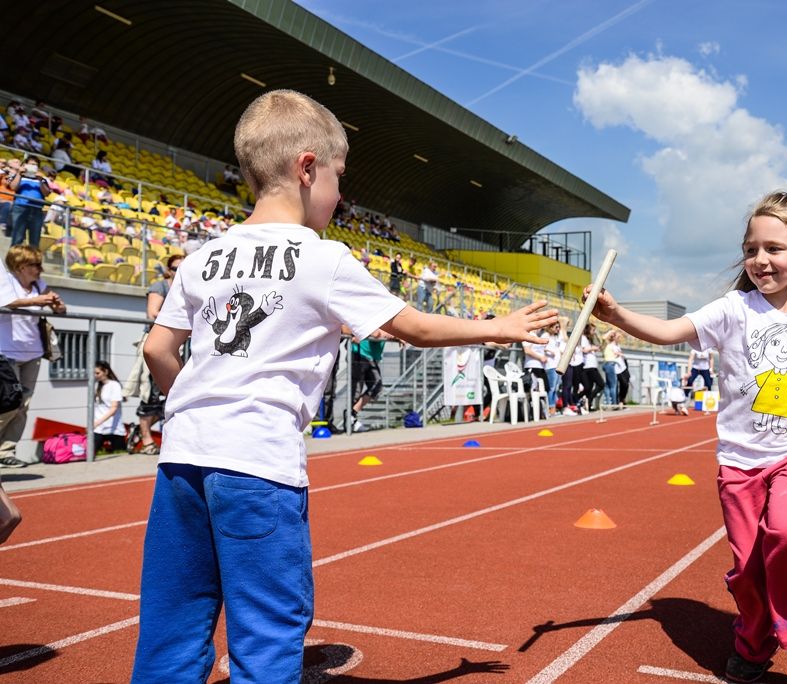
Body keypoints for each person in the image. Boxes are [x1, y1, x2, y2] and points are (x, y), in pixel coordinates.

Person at [132, 89, 557, 683]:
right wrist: (500, 328)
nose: (340, 193)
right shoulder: (324, 258)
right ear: (307, 168)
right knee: (267, 629)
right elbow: (410, 326)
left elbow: (157, 348)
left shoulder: (202, 257)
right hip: (258, 463)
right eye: (338, 177)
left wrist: (195, 409)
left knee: (173, 625)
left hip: (182, 460)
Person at [584, 191, 787, 684]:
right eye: (752, 248)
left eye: (774, 248)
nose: (760, 259)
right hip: (739, 461)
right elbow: (670, 331)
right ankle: (754, 640)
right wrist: (618, 316)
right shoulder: (733, 309)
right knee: (749, 567)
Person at [0, 246, 66, 467]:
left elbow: (59, 309)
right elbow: (7, 302)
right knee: (9, 403)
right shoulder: (7, 281)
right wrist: (38, 301)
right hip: (7, 352)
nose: (40, 269)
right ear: (21, 267)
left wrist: (57, 305)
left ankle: (7, 450)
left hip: (33, 352)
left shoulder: (39, 286)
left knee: (23, 405)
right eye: (35, 265)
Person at [136, 254, 184, 455]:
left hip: (181, 344)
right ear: (168, 269)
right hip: (160, 342)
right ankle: (146, 438)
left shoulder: (188, 285)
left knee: (174, 395)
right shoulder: (160, 287)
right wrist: (184, 320)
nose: (178, 271)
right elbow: (152, 312)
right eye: (175, 268)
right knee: (151, 394)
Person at [349, 328, 395, 433]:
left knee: (376, 387)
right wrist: (383, 333)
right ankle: (351, 417)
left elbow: (388, 332)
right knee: (358, 388)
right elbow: (375, 333)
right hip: (360, 353)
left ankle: (352, 414)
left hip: (372, 356)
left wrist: (397, 336)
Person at [9, 156, 55, 248]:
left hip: (37, 210)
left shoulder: (42, 179)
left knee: (34, 241)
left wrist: (40, 180)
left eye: (36, 165)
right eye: (31, 164)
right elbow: (13, 187)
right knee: (17, 238)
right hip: (20, 208)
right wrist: (19, 173)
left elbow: (47, 193)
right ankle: (14, 259)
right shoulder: (19, 176)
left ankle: (31, 260)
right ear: (25, 165)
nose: (33, 167)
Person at [93, 361, 126, 452]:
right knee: (90, 454)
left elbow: (114, 408)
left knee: (120, 455)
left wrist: (97, 422)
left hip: (114, 429)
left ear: (106, 372)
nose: (95, 375)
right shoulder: (96, 385)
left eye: (98, 373)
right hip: (98, 429)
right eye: (94, 373)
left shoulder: (114, 385)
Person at [581, 323, 605, 411]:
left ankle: (588, 403)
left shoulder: (589, 339)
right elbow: (583, 350)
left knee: (590, 387)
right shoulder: (583, 338)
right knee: (601, 384)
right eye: (593, 330)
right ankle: (588, 398)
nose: (594, 332)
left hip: (592, 365)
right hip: (588, 366)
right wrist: (592, 348)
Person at [602, 329, 622, 408]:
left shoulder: (610, 346)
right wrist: (611, 331)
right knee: (613, 385)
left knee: (608, 385)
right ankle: (614, 403)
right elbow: (604, 338)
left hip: (607, 364)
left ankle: (608, 403)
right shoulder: (610, 344)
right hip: (610, 364)